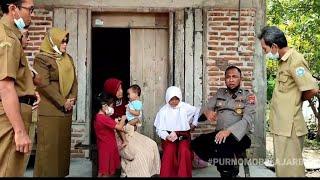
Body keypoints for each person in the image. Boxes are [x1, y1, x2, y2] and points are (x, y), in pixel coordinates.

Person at [258, 26, 319, 177]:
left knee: (292, 171)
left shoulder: (295, 60)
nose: (265, 53)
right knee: (283, 169)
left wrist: (296, 102)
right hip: (281, 126)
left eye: (265, 49)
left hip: (290, 127)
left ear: (274, 46)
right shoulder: (283, 61)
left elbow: (312, 89)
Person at [191, 65, 255, 177]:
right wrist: (206, 112)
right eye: (228, 77)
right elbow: (204, 108)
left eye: (234, 76)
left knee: (223, 145)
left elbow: (247, 120)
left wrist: (229, 131)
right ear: (225, 79)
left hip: (240, 136)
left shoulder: (248, 96)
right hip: (220, 133)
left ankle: (226, 172)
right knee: (197, 143)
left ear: (240, 79)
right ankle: (229, 168)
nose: (231, 79)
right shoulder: (220, 93)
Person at [0, 0, 39, 177]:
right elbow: (6, 87)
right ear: (13, 9)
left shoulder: (12, 36)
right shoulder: (7, 39)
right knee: (9, 171)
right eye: (30, 9)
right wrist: (20, 131)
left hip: (14, 113)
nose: (33, 13)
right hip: (10, 119)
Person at [33, 27, 78, 177]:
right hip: (50, 110)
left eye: (66, 41)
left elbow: (74, 81)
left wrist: (72, 99)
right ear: (53, 42)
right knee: (49, 152)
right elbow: (43, 84)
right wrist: (62, 101)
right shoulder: (42, 59)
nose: (65, 44)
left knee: (62, 152)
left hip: (66, 112)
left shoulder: (68, 58)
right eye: (62, 41)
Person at [103, 78, 160, 177]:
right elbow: (112, 126)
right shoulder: (106, 107)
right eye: (118, 89)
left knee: (152, 145)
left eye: (121, 88)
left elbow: (133, 118)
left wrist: (132, 123)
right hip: (117, 137)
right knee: (140, 155)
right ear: (112, 91)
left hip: (129, 132)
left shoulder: (125, 102)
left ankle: (154, 173)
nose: (121, 91)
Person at [154, 86, 200, 177]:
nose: (174, 101)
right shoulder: (163, 111)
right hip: (169, 136)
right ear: (167, 98)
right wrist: (166, 136)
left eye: (176, 99)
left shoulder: (184, 107)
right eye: (171, 99)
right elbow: (159, 129)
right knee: (169, 151)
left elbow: (197, 110)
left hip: (183, 135)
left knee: (184, 151)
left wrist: (194, 123)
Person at [93, 92, 126, 177]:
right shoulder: (103, 118)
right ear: (103, 106)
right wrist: (123, 117)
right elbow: (119, 127)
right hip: (108, 148)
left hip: (104, 146)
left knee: (102, 171)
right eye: (107, 105)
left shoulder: (98, 117)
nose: (109, 108)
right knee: (106, 173)